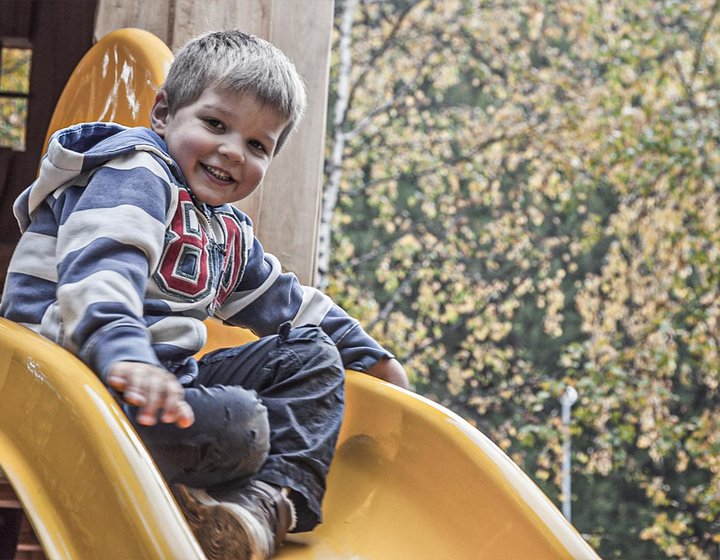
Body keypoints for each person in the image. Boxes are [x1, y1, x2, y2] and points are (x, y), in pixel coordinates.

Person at [0, 30, 408, 559]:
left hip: (155, 393)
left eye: (258, 145)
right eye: (216, 124)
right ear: (165, 114)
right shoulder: (134, 172)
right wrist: (126, 351)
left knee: (311, 356)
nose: (232, 151)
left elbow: (285, 300)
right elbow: (102, 270)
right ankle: (213, 491)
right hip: (62, 392)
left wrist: (370, 356)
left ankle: (262, 506)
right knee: (241, 424)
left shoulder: (225, 230)